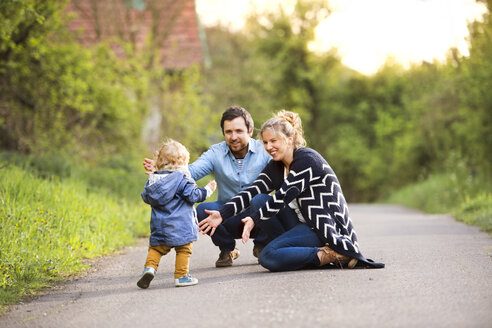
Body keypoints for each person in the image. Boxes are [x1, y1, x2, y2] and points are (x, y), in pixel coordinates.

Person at [199, 110, 385, 271]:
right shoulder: (277, 166)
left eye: (274, 141)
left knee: (268, 257)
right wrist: (222, 215)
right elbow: (252, 192)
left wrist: (254, 219)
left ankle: (333, 254)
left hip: (321, 228)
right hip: (300, 224)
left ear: (289, 139)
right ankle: (297, 252)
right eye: (265, 142)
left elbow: (283, 196)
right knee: (259, 200)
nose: (269, 147)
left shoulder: (307, 160)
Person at [143, 106, 273, 267]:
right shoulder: (216, 153)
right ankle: (228, 249)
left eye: (239, 131)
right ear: (224, 133)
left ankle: (262, 245)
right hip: (227, 214)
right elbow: (190, 172)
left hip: (259, 216)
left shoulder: (265, 150)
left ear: (250, 131)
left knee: (263, 200)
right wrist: (166, 169)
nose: (233, 137)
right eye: (228, 132)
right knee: (201, 210)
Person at [138, 139, 217, 288]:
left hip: (160, 226)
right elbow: (194, 196)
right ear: (182, 164)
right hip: (181, 226)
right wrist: (208, 190)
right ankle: (181, 276)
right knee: (184, 249)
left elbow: (146, 197)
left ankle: (149, 268)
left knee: (156, 249)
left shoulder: (153, 180)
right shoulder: (182, 179)